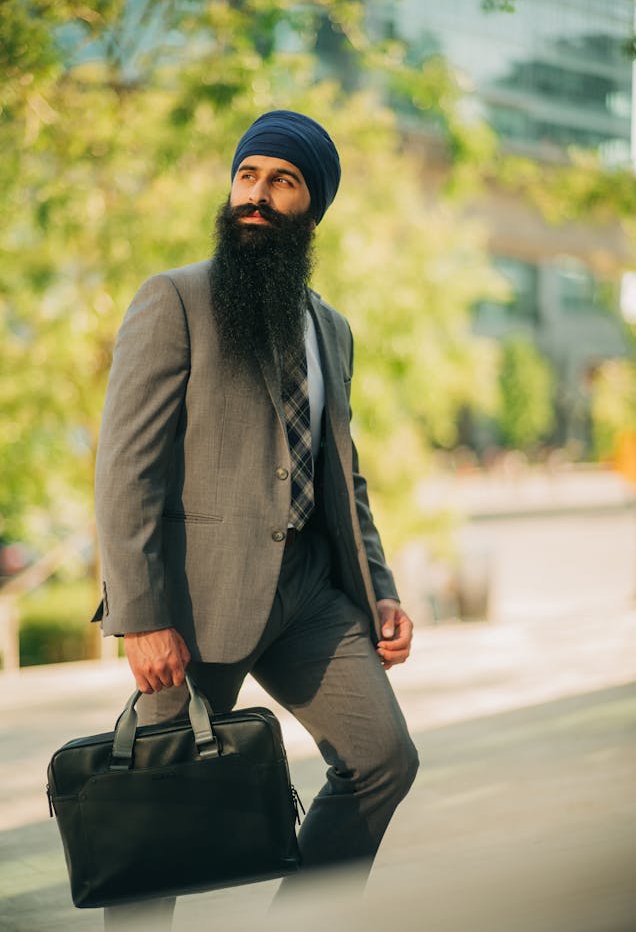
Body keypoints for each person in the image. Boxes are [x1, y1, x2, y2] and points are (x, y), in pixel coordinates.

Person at [94, 110, 419, 929]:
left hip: (310, 591)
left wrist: (377, 588)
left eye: (282, 182)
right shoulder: (174, 299)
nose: (257, 195)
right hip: (196, 599)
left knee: (384, 758)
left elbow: (346, 476)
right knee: (158, 804)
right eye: (247, 175)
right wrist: (143, 615)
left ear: (312, 208)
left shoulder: (332, 329)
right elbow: (125, 467)